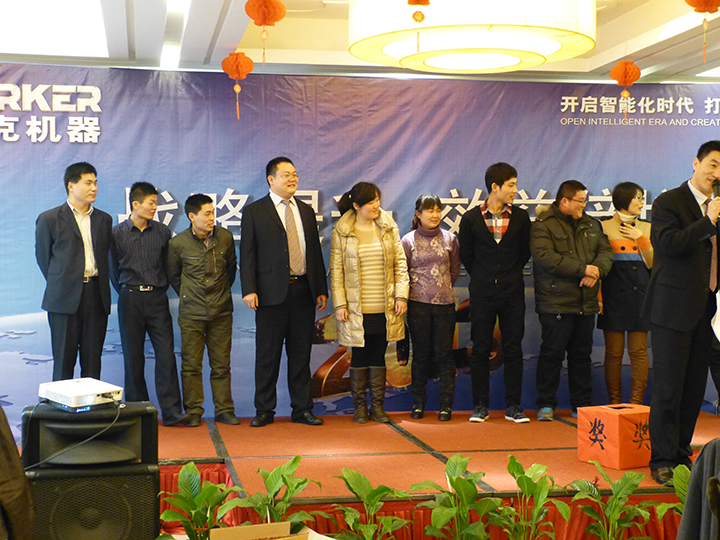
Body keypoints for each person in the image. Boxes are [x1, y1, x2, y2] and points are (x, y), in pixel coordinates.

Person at [641, 140, 720, 485]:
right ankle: (661, 458)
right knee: (669, 387)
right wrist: (708, 220)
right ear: (696, 163)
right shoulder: (669, 202)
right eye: (713, 164)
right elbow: (668, 245)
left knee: (693, 388)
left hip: (708, 310)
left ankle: (681, 452)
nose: (717, 173)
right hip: (672, 309)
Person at [240, 157, 328, 427]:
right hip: (269, 294)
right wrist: (249, 289)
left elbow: (314, 252)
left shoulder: (305, 210)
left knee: (301, 355)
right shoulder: (255, 211)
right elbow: (247, 254)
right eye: (286, 175)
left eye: (295, 174)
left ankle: (302, 409)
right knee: (267, 356)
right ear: (271, 179)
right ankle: (264, 411)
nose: (292, 179)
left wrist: (320, 288)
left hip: (303, 291)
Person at [530, 180, 613, 422]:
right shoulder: (543, 225)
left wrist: (596, 271)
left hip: (585, 301)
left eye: (585, 201)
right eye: (580, 201)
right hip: (555, 301)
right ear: (564, 201)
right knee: (552, 354)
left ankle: (581, 404)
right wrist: (583, 269)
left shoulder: (592, 224)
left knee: (581, 355)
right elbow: (546, 258)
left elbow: (605, 252)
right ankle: (546, 403)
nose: (584, 205)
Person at [458, 163, 532, 424]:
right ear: (495, 187)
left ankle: (514, 406)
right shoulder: (470, 218)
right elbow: (467, 256)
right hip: (482, 293)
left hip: (512, 292)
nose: (515, 190)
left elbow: (525, 253)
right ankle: (480, 406)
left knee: (513, 348)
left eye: (515, 184)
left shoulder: (521, 217)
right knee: (480, 348)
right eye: (511, 185)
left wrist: (507, 274)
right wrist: (485, 277)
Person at [330, 182, 409, 424]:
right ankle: (359, 408)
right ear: (356, 206)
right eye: (371, 202)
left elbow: (400, 265)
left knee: (378, 355)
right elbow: (336, 272)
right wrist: (340, 304)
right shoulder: (342, 231)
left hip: (384, 307)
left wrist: (401, 296)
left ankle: (377, 407)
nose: (377, 206)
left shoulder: (388, 227)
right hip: (356, 308)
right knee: (360, 355)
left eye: (377, 200)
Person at [110, 182, 186, 427]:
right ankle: (138, 411)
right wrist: (127, 290)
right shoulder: (116, 233)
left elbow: (168, 266)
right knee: (133, 356)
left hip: (157, 299)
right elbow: (113, 270)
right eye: (151, 203)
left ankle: (172, 411)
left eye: (156, 203)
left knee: (166, 354)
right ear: (135, 204)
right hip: (130, 298)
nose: (155, 207)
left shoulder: (162, 232)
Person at [35, 162, 112, 381]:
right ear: (71, 186)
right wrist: (65, 282)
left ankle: (91, 405)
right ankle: (61, 405)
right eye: (88, 183)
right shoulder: (49, 218)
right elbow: (44, 259)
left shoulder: (104, 219)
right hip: (63, 299)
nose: (94, 188)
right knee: (63, 362)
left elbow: (106, 257)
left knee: (92, 362)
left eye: (95, 183)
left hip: (96, 297)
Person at [168, 194, 238, 427]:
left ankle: (224, 410)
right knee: (191, 365)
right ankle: (194, 410)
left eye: (213, 213)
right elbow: (174, 277)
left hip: (221, 311)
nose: (212, 218)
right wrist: (190, 295)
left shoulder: (225, 237)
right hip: (191, 313)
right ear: (192, 216)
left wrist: (220, 294)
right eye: (207, 214)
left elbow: (230, 271)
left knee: (221, 365)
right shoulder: (178, 244)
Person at [402, 193, 460, 421]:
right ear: (418, 214)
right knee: (421, 355)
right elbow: (403, 273)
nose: (435, 215)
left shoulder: (450, 239)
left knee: (445, 355)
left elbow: (454, 270)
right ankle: (418, 404)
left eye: (438, 210)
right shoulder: (408, 240)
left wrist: (440, 288)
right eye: (430, 210)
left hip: (445, 305)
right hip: (418, 305)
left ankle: (446, 405)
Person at [597, 182, 653, 405]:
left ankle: (635, 405)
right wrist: (598, 297)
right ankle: (615, 403)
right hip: (613, 295)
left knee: (639, 351)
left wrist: (641, 238)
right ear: (623, 200)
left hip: (641, 295)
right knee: (613, 353)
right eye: (637, 198)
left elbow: (653, 264)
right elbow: (598, 265)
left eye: (642, 198)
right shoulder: (602, 227)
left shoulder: (647, 228)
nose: (641, 202)